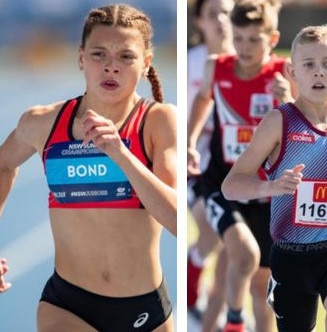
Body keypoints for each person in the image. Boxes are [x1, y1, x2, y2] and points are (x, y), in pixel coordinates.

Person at [0, 4, 176, 331]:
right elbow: (3, 164)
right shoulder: (43, 122)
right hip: (67, 305)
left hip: (144, 309)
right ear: (81, 58)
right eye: (99, 54)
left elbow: (178, 220)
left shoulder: (158, 122)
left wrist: (121, 154)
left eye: (126, 56)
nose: (111, 67)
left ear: (146, 63)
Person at [222, 24, 327, 332]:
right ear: (292, 73)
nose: (319, 73)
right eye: (309, 65)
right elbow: (231, 185)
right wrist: (272, 186)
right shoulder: (279, 123)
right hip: (291, 256)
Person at [187, 0, 292, 331]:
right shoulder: (216, 67)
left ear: (271, 39)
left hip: (265, 193)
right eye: (240, 38)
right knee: (242, 255)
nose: (245, 47)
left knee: (259, 291)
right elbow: (203, 99)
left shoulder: (283, 74)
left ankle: (224, 316)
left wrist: (288, 102)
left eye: (254, 39)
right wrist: (190, 142)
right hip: (223, 185)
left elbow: (302, 134)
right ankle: (234, 322)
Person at [186, 0, 234, 330]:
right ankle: (191, 285)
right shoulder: (191, 64)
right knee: (216, 231)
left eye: (227, 12)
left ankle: (225, 314)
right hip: (198, 167)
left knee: (238, 251)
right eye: (212, 13)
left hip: (243, 169)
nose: (221, 20)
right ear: (199, 21)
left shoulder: (250, 61)